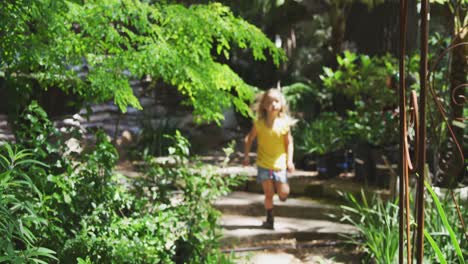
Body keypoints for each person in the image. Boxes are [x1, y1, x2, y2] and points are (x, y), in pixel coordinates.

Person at [243, 88, 296, 229]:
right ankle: (270, 218)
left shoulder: (284, 124)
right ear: (264, 106)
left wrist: (289, 161)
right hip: (264, 163)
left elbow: (289, 143)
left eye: (276, 101)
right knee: (269, 193)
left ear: (281, 105)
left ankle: (282, 193)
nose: (273, 104)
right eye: (270, 102)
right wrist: (246, 156)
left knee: (283, 193)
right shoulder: (259, 124)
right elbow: (249, 139)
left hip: (280, 164)